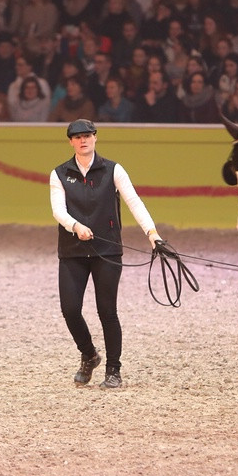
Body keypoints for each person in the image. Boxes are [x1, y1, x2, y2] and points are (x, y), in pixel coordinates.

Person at [49, 119, 164, 389]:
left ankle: (114, 369)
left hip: (106, 250)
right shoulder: (59, 173)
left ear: (95, 138)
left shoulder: (113, 170)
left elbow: (134, 201)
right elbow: (58, 210)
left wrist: (152, 234)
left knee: (107, 311)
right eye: (77, 137)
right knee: (70, 309)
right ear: (71, 142)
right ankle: (89, 355)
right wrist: (75, 226)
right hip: (73, 250)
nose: (83, 140)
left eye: (87, 135)